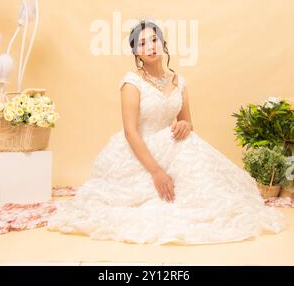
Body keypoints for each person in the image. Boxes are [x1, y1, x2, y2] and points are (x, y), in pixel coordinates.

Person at [47, 19, 287, 245]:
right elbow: (130, 132)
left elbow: (188, 123)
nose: (150, 46)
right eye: (142, 43)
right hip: (140, 150)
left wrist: (185, 126)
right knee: (150, 199)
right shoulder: (132, 82)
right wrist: (157, 172)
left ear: (163, 43)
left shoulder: (178, 80)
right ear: (136, 53)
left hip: (171, 145)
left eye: (154, 40)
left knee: (197, 166)